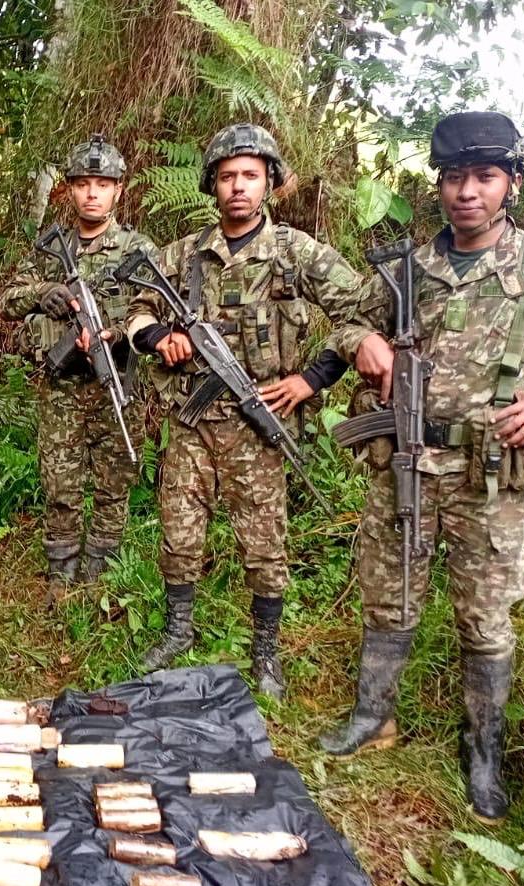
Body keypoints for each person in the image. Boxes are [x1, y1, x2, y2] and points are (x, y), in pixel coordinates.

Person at [319, 111, 524, 824]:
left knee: (485, 618)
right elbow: (344, 319)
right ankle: (374, 717)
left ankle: (482, 750)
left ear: (511, 182)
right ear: (438, 185)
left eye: (484, 177)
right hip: (405, 461)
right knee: (388, 596)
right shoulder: (405, 269)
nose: (467, 192)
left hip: (492, 475)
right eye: (455, 177)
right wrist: (363, 340)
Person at [125, 123, 363, 699]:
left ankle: (265, 648)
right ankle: (178, 629)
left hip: (260, 424)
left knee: (264, 541)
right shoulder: (183, 254)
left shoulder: (295, 253)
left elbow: (362, 311)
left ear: (269, 183)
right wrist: (159, 338)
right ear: (212, 184)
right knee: (179, 531)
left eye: (250, 176)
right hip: (191, 421)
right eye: (228, 176)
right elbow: (135, 311)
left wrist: (311, 379)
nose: (238, 186)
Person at [0, 135, 160, 602]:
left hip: (118, 385)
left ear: (118, 190)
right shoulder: (51, 248)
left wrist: (116, 333)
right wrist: (43, 293)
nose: (92, 193)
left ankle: (100, 573)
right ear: (69, 190)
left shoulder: (137, 249)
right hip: (62, 390)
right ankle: (61, 572)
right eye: (83, 184)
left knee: (115, 483)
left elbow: (157, 310)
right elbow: (8, 300)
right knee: (60, 483)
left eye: (103, 184)